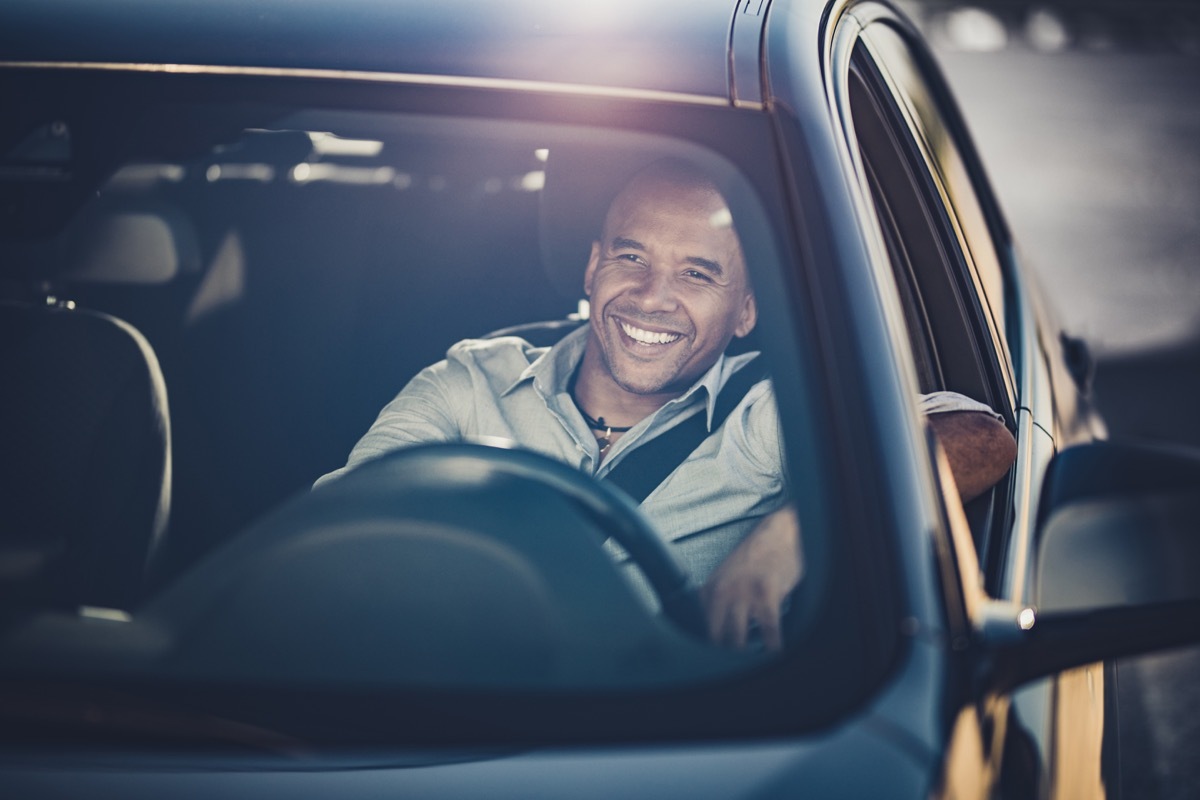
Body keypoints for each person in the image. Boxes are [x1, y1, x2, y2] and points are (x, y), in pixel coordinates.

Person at [315, 159, 1016, 650]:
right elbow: (335, 539)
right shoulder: (471, 383)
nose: (652, 297)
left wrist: (796, 529)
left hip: (656, 747)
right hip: (434, 718)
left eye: (696, 273)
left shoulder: (770, 415)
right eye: (631, 258)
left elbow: (982, 439)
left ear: (745, 311)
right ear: (592, 267)